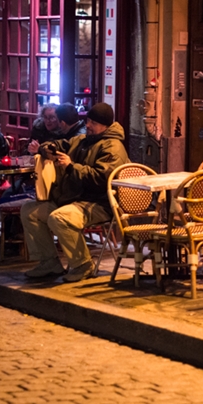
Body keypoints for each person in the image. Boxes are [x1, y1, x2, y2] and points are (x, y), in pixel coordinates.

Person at [21, 102, 128, 282]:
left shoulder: (112, 147)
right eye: (88, 121)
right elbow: (59, 144)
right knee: (29, 211)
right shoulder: (82, 140)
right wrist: (47, 150)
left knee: (60, 218)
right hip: (73, 198)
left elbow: (101, 179)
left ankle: (83, 264)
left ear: (105, 125)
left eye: (93, 123)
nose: (88, 125)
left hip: (98, 203)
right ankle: (49, 262)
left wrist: (71, 166)